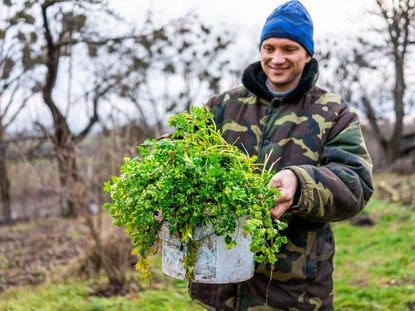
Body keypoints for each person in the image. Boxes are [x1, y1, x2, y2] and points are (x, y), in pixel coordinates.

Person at [189, 1, 374, 310]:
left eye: (289, 49)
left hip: (292, 290)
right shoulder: (222, 106)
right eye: (269, 47)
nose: (277, 58)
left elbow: (356, 183)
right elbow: (180, 146)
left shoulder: (334, 113)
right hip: (219, 285)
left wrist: (299, 183)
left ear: (308, 54)